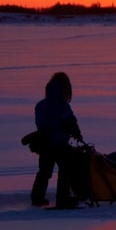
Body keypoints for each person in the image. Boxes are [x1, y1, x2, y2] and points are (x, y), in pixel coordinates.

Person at [30, 72, 84, 208]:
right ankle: (63, 198)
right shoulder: (62, 106)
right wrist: (77, 135)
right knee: (66, 170)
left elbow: (41, 124)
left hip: (45, 144)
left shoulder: (41, 105)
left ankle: (37, 198)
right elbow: (70, 122)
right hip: (59, 143)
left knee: (44, 171)